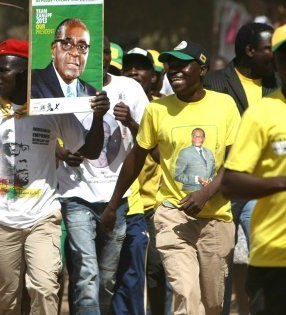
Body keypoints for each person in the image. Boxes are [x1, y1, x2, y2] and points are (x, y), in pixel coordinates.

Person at [0, 38, 108, 314]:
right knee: (5, 298)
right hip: (2, 220)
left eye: (5, 71)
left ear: (25, 75)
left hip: (43, 218)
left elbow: (91, 149)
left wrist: (98, 116)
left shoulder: (51, 110)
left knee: (44, 288)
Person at [100, 41, 240, 315]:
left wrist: (206, 194)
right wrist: (113, 204)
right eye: (169, 67)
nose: (173, 71)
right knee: (186, 295)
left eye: (181, 65)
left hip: (216, 218)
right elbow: (136, 158)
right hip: (172, 215)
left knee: (212, 304)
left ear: (202, 69)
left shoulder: (225, 105)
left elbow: (236, 161)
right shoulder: (158, 110)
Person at [56, 37, 149, 315]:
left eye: (106, 52)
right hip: (76, 195)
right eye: (92, 51)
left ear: (112, 57)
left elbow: (150, 141)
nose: (101, 57)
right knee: (86, 275)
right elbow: (45, 135)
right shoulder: (63, 89)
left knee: (107, 280)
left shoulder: (129, 88)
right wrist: (63, 154)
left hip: (117, 198)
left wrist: (130, 121)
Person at [203, 22, 278, 314]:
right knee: (219, 266)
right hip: (221, 188)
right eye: (268, 49)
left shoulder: (277, 84)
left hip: (260, 190)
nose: (274, 55)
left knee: (266, 258)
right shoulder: (215, 82)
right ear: (250, 50)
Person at [221, 25, 286, 314]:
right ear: (279, 63)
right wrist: (281, 183)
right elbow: (232, 182)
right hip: (274, 259)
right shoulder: (261, 114)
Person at [121, 47, 168, 314]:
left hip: (154, 206)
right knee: (126, 276)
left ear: (154, 76)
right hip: (120, 203)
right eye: (128, 66)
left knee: (154, 273)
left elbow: (162, 154)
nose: (133, 72)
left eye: (140, 67)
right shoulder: (112, 104)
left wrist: (133, 124)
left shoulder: (163, 109)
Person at [31, 18, 96, 98]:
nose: (75, 53)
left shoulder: (92, 94)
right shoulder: (31, 82)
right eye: (67, 44)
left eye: (82, 47)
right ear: (54, 49)